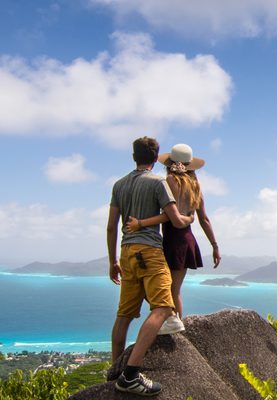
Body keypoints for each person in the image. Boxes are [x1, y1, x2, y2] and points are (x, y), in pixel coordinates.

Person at [105, 136, 194, 396]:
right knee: (164, 307)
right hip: (149, 251)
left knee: (124, 315)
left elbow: (111, 226)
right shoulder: (158, 182)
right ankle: (131, 375)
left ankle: (115, 370)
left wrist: (112, 260)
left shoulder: (119, 185)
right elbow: (176, 220)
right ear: (156, 159)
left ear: (134, 157)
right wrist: (189, 216)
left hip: (126, 251)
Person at [127, 143, 222, 333]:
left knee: (166, 288)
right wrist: (214, 245)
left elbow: (171, 216)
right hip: (186, 239)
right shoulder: (196, 186)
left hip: (173, 240)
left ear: (169, 163)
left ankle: (174, 325)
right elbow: (203, 219)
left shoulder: (169, 181)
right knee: (173, 289)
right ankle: (174, 323)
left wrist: (141, 223)